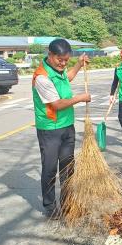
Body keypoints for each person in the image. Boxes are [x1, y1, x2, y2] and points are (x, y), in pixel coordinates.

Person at [32, 39, 91, 219]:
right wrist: (80, 98)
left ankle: (68, 204)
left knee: (68, 168)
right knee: (50, 169)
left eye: (66, 60)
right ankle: (50, 206)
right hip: (50, 129)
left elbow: (68, 77)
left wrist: (79, 64)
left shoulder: (58, 70)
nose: (63, 63)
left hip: (67, 126)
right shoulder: (42, 77)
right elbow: (57, 104)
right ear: (50, 55)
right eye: (60, 59)